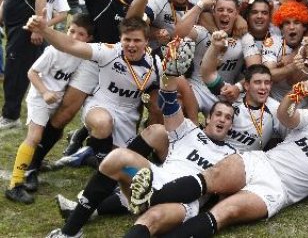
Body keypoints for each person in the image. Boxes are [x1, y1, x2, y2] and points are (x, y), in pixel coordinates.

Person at [128, 85, 308, 237]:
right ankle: (151, 198)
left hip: (276, 190)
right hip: (260, 162)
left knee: (225, 213)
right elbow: (285, 115)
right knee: (212, 177)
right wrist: (294, 95)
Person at [47, 59, 237, 238]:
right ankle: (69, 232)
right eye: (218, 114)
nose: (222, 119)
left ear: (230, 126)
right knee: (119, 158)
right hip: (154, 179)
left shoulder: (232, 155)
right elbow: (168, 103)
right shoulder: (190, 130)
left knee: (150, 218)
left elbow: (225, 198)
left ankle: (97, 206)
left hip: (183, 202)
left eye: (228, 118)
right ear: (209, 118)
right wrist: (169, 75)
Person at [25, 16, 160, 162]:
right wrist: (44, 30)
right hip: (101, 105)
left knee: (122, 162)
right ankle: (33, 164)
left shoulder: (155, 65)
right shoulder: (109, 51)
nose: (131, 45)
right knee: (99, 122)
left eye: (137, 40)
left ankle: (88, 153)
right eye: (127, 40)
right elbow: (70, 45)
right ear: (120, 39)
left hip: (128, 113)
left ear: (146, 41)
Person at [5, 14, 93, 204]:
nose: (75, 37)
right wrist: (44, 92)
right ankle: (15, 184)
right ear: (65, 30)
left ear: (89, 39)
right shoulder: (53, 51)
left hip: (55, 100)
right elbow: (32, 72)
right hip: (40, 98)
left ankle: (33, 165)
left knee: (55, 133)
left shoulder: (82, 56)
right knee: (35, 137)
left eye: (81, 34)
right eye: (71, 31)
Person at [0, 0, 46, 130]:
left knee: (14, 72)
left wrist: (37, 28)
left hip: (25, 30)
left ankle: (11, 117)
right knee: (16, 71)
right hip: (13, 30)